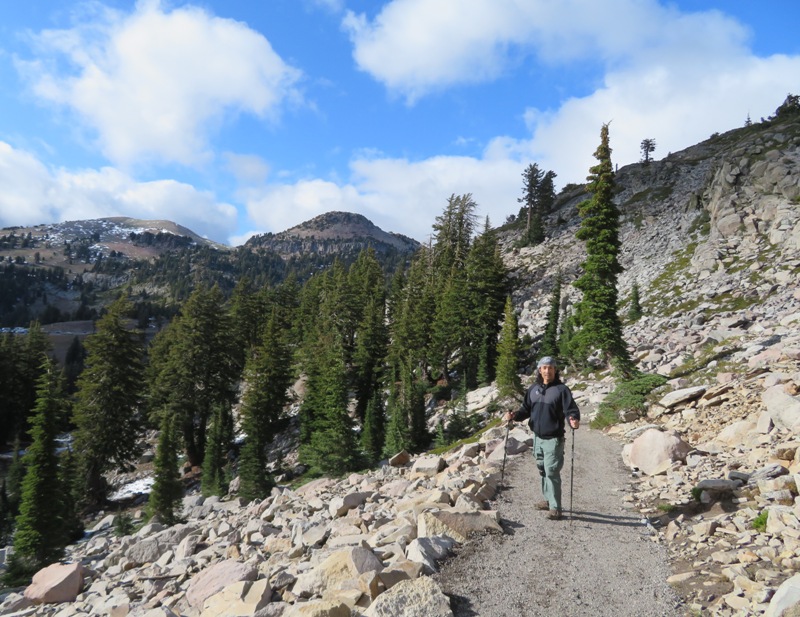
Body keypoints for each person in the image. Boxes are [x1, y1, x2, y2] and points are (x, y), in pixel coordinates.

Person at [504, 356, 580, 520]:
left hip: (553, 438)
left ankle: (556, 507)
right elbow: (525, 409)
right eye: (544, 368)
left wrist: (573, 419)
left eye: (550, 368)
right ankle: (547, 499)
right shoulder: (533, 389)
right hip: (537, 437)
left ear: (555, 370)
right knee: (542, 469)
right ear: (539, 370)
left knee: (552, 470)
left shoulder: (561, 390)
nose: (547, 371)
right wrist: (514, 415)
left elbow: (570, 409)